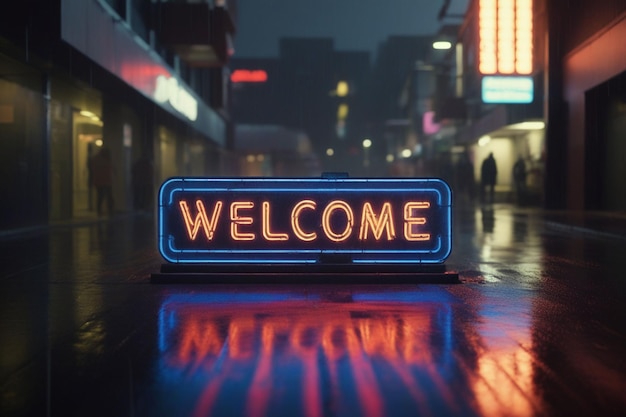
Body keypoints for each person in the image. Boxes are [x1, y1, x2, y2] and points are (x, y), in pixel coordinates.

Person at [91, 147, 114, 216]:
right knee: (108, 197)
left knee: (100, 197)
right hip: (105, 181)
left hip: (99, 181)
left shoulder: (96, 159)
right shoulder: (106, 159)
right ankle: (110, 211)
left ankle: (100, 211)